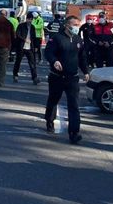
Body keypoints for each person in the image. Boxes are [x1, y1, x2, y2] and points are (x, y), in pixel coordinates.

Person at [44, 15, 90, 144]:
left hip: (72, 78)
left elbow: (82, 58)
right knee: (53, 100)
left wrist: (86, 71)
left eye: (78, 25)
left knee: (74, 105)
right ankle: (49, 120)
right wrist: (54, 61)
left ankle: (74, 132)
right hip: (57, 77)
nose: (77, 27)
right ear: (67, 25)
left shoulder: (78, 40)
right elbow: (48, 52)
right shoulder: (57, 38)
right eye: (74, 25)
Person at [14, 15, 39, 84]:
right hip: (21, 47)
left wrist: (36, 46)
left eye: (31, 19)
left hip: (30, 47)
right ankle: (15, 75)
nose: (30, 21)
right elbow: (18, 34)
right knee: (18, 62)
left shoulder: (33, 27)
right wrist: (24, 39)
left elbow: (34, 37)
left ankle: (34, 77)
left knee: (32, 63)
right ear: (26, 19)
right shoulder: (21, 26)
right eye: (29, 19)